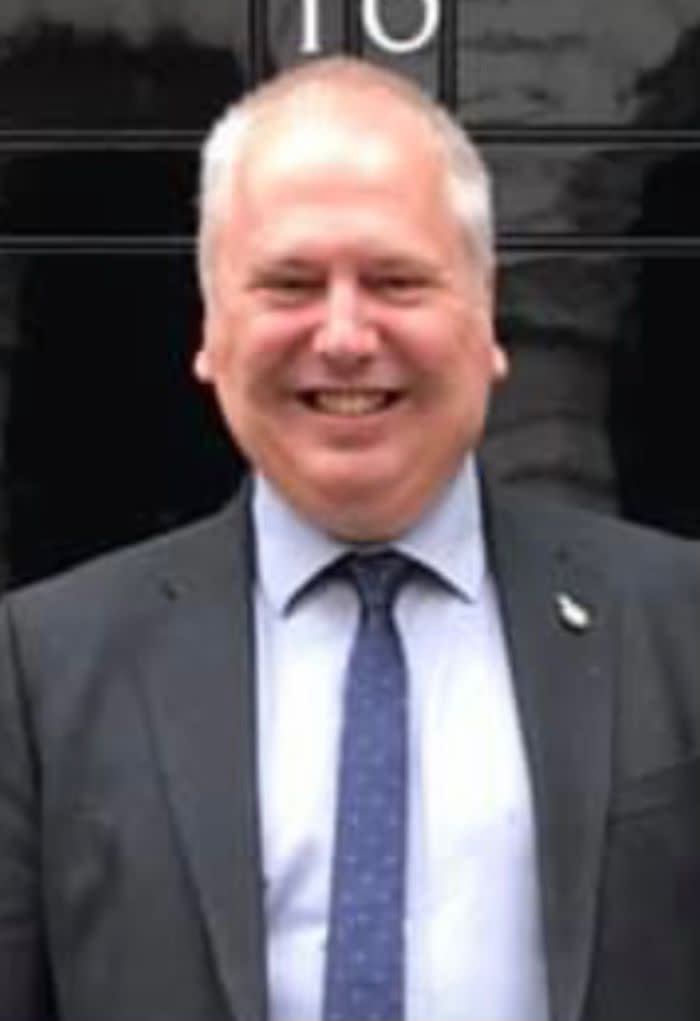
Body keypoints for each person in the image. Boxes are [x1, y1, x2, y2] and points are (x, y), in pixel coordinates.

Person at [1, 56, 700, 1021]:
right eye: (289, 282)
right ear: (210, 324)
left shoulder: (680, 626)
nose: (342, 334)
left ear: (486, 312)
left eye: (396, 280)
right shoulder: (42, 671)